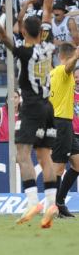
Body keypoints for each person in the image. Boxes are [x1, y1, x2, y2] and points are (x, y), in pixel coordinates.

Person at [0, 0, 59, 228]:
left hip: (32, 107)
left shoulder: (25, 53)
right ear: (41, 31)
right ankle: (51, 204)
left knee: (22, 154)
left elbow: (2, 36)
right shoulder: (48, 46)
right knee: (45, 156)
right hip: (49, 106)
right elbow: (47, 9)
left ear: (24, 32)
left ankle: (31, 201)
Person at [48, 42, 79, 218]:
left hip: (63, 124)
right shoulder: (62, 71)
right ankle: (56, 207)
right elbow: (69, 67)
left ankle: (59, 203)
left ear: (59, 55)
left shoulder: (52, 74)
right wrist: (75, 57)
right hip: (61, 124)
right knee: (58, 168)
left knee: (77, 164)